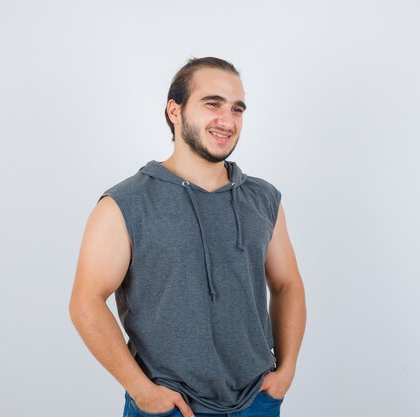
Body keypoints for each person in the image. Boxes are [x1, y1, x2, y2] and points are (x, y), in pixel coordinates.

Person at [69, 57, 306, 417]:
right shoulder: (126, 203)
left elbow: (288, 284)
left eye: (237, 109)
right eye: (212, 104)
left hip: (257, 402)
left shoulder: (263, 198)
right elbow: (85, 302)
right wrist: (142, 391)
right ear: (174, 111)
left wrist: (285, 371)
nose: (227, 120)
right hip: (170, 408)